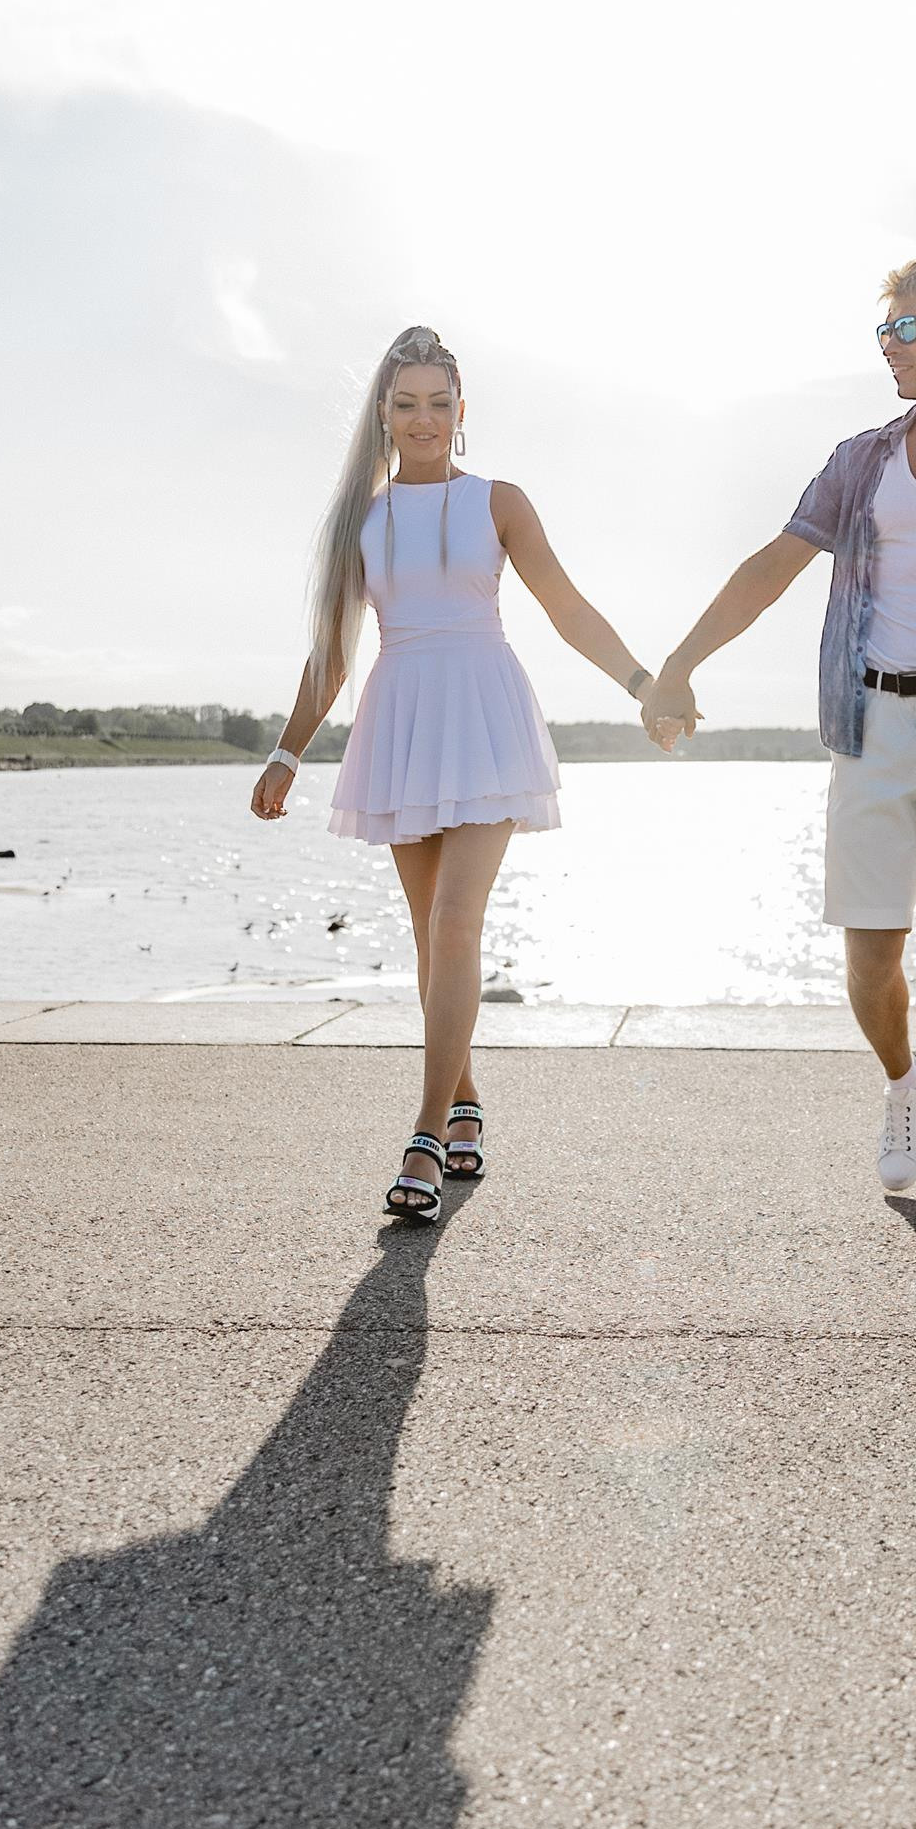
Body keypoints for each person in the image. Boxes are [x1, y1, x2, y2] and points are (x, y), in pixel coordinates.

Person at [640, 258, 916, 1243]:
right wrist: (676, 663)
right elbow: (773, 566)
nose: (888, 347)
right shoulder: (858, 461)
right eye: (883, 331)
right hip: (872, 723)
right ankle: (902, 1077)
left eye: (906, 330)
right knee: (866, 959)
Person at [253, 325, 664, 1222]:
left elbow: (564, 606)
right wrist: (289, 751)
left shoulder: (500, 502)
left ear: (462, 411)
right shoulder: (360, 520)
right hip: (400, 719)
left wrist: (643, 683)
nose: (424, 419)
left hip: (484, 717)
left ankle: (428, 1136)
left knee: (454, 919)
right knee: (429, 935)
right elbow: (330, 656)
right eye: (406, 404)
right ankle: (468, 1098)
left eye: (440, 402)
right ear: (383, 414)